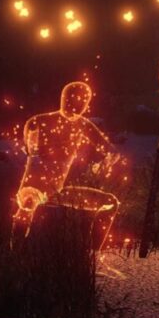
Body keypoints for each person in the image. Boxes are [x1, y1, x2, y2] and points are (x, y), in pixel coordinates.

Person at [14, 80, 120, 230]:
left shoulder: (83, 125)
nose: (78, 106)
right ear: (64, 99)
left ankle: (90, 245)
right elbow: (31, 152)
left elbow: (110, 150)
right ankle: (15, 244)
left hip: (57, 192)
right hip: (33, 190)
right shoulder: (39, 121)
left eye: (83, 102)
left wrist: (105, 163)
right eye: (73, 100)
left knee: (110, 202)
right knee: (29, 203)